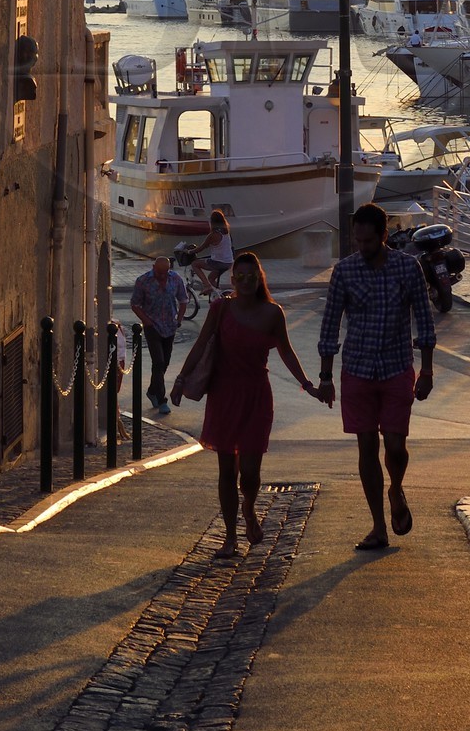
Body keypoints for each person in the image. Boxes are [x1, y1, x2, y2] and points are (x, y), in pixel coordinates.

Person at [171, 251, 320, 558]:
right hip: (224, 394)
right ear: (233, 279)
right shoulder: (221, 308)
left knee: (250, 471)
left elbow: (286, 352)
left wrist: (307, 385)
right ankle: (229, 537)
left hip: (256, 396)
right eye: (241, 276)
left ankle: (249, 509)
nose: (247, 281)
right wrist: (180, 379)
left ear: (260, 278)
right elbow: (201, 343)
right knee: (227, 469)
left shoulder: (272, 313)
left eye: (252, 276)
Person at [317, 202, 435, 551]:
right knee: (366, 446)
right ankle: (378, 526)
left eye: (369, 241)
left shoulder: (408, 268)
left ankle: (396, 488)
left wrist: (427, 370)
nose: (363, 247)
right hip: (357, 369)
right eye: (358, 241)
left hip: (397, 366)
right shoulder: (345, 271)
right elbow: (330, 323)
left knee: (396, 446)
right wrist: (325, 376)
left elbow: (424, 320)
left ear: (384, 235)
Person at [130, 256, 188, 416]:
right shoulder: (143, 281)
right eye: (159, 272)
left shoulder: (175, 279)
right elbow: (135, 304)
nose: (162, 276)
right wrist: (147, 321)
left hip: (170, 326)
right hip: (152, 326)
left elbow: (183, 300)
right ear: (153, 267)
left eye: (165, 273)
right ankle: (162, 400)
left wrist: (179, 319)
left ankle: (152, 391)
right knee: (158, 361)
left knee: (165, 362)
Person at [192, 209, 234, 299]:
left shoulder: (213, 235)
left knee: (195, 264)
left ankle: (207, 286)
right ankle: (221, 295)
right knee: (211, 278)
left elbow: (201, 248)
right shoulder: (226, 233)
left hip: (218, 262)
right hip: (228, 262)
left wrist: (189, 252)